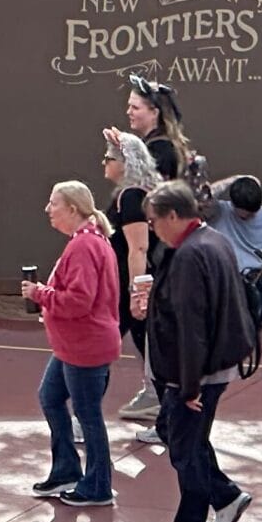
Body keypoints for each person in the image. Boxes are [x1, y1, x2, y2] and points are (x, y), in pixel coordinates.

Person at [137, 179, 257, 522]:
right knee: (187, 441)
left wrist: (187, 386)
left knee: (184, 449)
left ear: (174, 215)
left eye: (155, 221)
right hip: (211, 367)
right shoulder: (212, 241)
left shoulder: (190, 254)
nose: (153, 228)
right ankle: (225, 495)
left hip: (195, 373)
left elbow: (192, 326)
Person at [24, 179, 121, 507]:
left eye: (54, 203)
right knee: (51, 397)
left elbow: (79, 300)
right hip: (74, 345)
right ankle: (67, 469)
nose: (48, 209)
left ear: (73, 209)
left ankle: (97, 485)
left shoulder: (83, 246)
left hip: (85, 346)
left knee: (87, 413)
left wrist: (40, 294)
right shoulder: (91, 241)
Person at [101, 130, 162, 426]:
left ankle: (84, 415)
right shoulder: (134, 194)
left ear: (127, 163)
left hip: (129, 285)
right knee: (145, 341)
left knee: (103, 345)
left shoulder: (132, 196)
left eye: (110, 158)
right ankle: (155, 399)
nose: (104, 162)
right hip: (130, 284)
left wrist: (137, 292)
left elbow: (138, 247)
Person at [215, 175, 262, 275]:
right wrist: (233, 180)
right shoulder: (220, 211)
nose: (250, 217)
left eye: (253, 213)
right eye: (245, 215)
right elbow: (200, 198)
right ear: (233, 204)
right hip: (229, 275)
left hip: (260, 276)